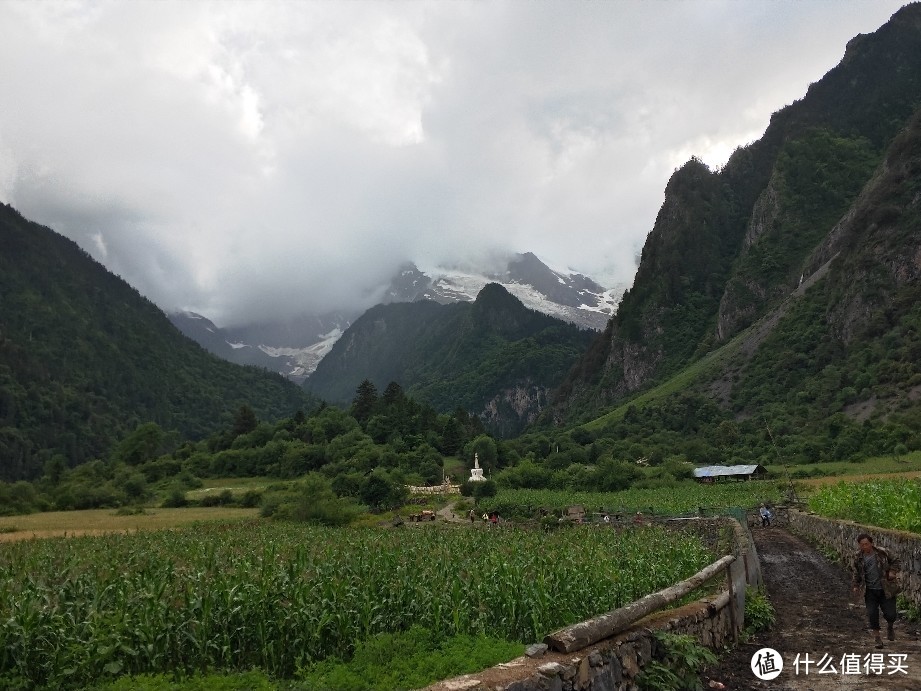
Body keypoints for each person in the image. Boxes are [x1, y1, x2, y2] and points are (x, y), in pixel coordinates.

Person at [851, 533, 901, 648]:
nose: (865, 547)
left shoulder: (882, 553)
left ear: (871, 543)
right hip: (869, 590)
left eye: (867, 544)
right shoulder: (858, 557)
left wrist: (892, 571)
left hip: (886, 588)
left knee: (891, 614)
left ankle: (890, 626)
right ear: (859, 545)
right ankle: (877, 637)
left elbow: (896, 560)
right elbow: (856, 572)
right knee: (872, 613)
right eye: (862, 545)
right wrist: (856, 585)